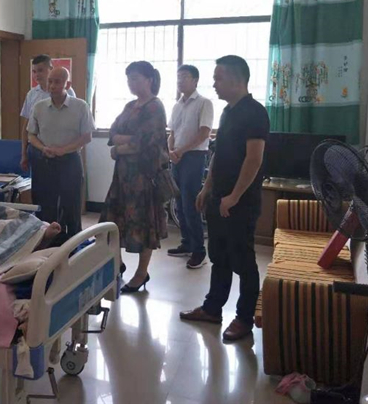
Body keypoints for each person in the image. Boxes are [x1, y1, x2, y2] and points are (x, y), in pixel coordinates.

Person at [180, 55, 269, 341]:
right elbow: (218, 154)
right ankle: (212, 309)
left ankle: (243, 319)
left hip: (240, 202)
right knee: (219, 257)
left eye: (218, 78)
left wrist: (234, 196)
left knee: (244, 261)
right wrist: (207, 188)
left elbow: (254, 159)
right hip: (219, 198)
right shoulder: (228, 112)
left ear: (235, 79)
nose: (214, 84)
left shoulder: (255, 112)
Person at [99, 61, 169, 293]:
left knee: (142, 223)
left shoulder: (155, 107)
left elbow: (147, 143)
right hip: (122, 176)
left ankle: (141, 273)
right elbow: (112, 133)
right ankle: (117, 264)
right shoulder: (130, 106)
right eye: (129, 79)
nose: (131, 83)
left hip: (143, 177)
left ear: (149, 80)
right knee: (114, 220)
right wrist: (126, 141)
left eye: (136, 78)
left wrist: (119, 148)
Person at [27, 66, 94, 245]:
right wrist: (42, 148)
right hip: (45, 160)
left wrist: (65, 150)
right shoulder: (39, 107)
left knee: (71, 205)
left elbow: (86, 136)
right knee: (45, 205)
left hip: (70, 161)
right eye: (50, 81)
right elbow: (31, 135)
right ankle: (47, 243)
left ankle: (73, 244)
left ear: (67, 84)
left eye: (57, 82)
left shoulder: (80, 106)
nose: (52, 86)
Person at [167, 64, 214, 269]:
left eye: (184, 77)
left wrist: (181, 150)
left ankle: (199, 251)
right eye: (178, 77)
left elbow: (204, 133)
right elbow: (172, 133)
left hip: (194, 156)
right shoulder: (177, 105)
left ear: (195, 80)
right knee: (178, 201)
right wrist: (171, 151)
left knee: (190, 203)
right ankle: (186, 243)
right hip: (177, 157)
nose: (180, 80)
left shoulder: (204, 103)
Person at [20, 55, 76, 173]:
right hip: (38, 149)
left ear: (50, 69)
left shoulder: (68, 91)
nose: (37, 75)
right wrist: (23, 154)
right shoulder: (32, 94)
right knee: (40, 183)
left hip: (63, 150)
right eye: (34, 71)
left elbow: (76, 124)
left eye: (40, 70)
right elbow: (26, 127)